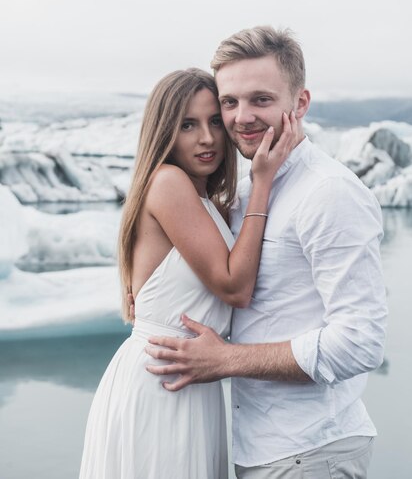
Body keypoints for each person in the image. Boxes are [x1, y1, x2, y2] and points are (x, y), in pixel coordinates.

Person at [144, 26, 388, 479]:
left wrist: (226, 360)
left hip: (313, 451)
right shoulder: (246, 191)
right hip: (256, 449)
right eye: (230, 102)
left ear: (300, 104)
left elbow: (360, 342)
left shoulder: (329, 193)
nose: (241, 117)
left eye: (261, 99)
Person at [79, 67, 297, 479]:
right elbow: (235, 286)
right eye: (188, 125)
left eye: (215, 121)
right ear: (164, 131)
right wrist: (263, 182)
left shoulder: (202, 197)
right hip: (162, 383)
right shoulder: (168, 182)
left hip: (191, 380)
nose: (208, 138)